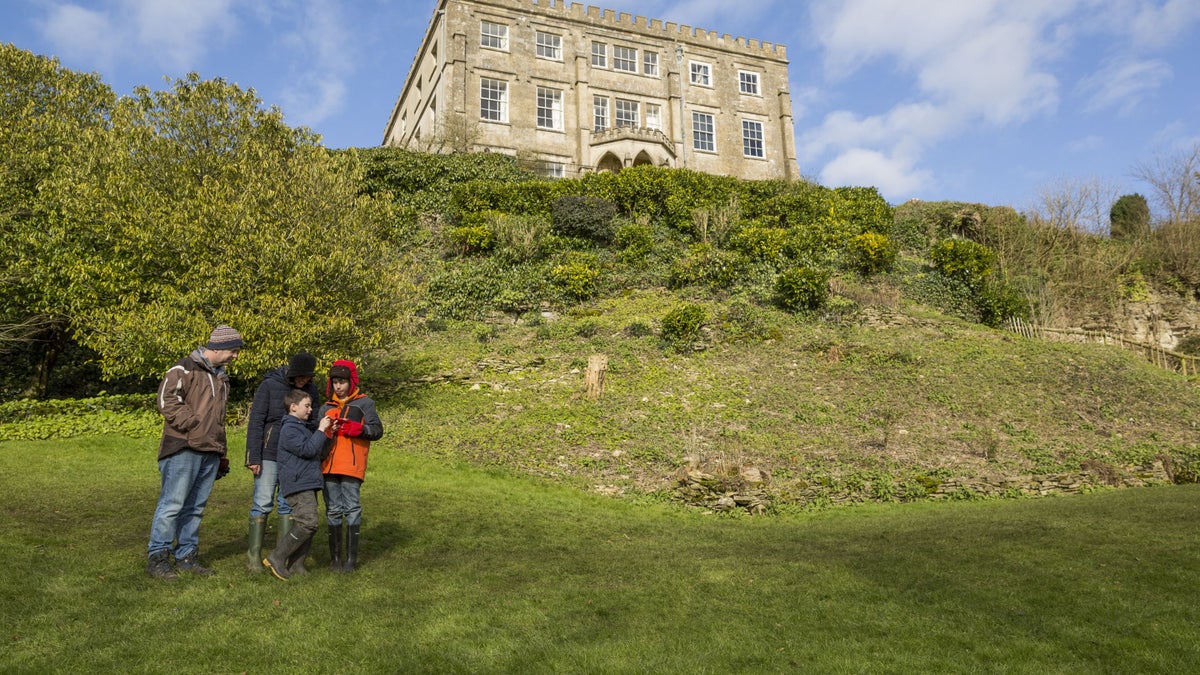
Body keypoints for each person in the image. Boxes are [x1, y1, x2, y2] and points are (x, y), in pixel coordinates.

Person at [146, 325, 243, 581]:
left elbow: (218, 419)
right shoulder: (183, 368)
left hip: (210, 450)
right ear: (219, 346)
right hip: (182, 447)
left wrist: (220, 452)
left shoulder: (221, 377)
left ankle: (186, 556)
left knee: (196, 508)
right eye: (233, 350)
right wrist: (193, 425)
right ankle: (158, 557)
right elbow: (167, 401)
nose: (235, 356)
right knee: (172, 505)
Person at [243, 352, 320, 573]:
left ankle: (281, 556)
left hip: (296, 455)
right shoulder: (269, 386)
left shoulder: (311, 390)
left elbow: (313, 422)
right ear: (293, 374)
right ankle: (254, 558)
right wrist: (253, 456)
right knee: (263, 501)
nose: (306, 381)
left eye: (309, 377)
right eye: (303, 377)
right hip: (269, 453)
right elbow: (256, 421)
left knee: (287, 504)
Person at [263, 389, 336, 581]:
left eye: (311, 406)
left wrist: (329, 435)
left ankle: (296, 566)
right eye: (307, 406)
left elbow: (318, 453)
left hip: (308, 481)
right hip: (297, 483)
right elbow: (307, 449)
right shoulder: (289, 429)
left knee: (309, 524)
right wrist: (320, 429)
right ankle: (277, 557)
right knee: (308, 523)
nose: (311, 410)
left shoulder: (301, 427)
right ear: (293, 407)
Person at [320, 360, 384, 573]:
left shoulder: (365, 404)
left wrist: (359, 429)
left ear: (352, 381)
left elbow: (377, 430)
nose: (339, 386)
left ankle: (350, 561)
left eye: (343, 382)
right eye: (335, 382)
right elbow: (316, 434)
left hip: (351, 465)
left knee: (352, 509)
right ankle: (335, 559)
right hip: (328, 465)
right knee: (333, 510)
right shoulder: (326, 407)